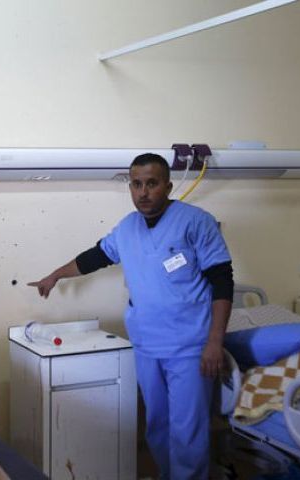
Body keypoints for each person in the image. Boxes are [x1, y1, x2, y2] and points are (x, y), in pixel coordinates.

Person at [28, 153, 233, 480]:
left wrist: (214, 342)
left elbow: (223, 281)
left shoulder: (196, 222)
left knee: (188, 433)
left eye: (151, 183)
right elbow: (95, 257)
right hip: (147, 344)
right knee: (157, 426)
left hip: (190, 346)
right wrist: (55, 275)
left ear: (167, 185)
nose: (143, 192)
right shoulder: (127, 228)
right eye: (136, 184)